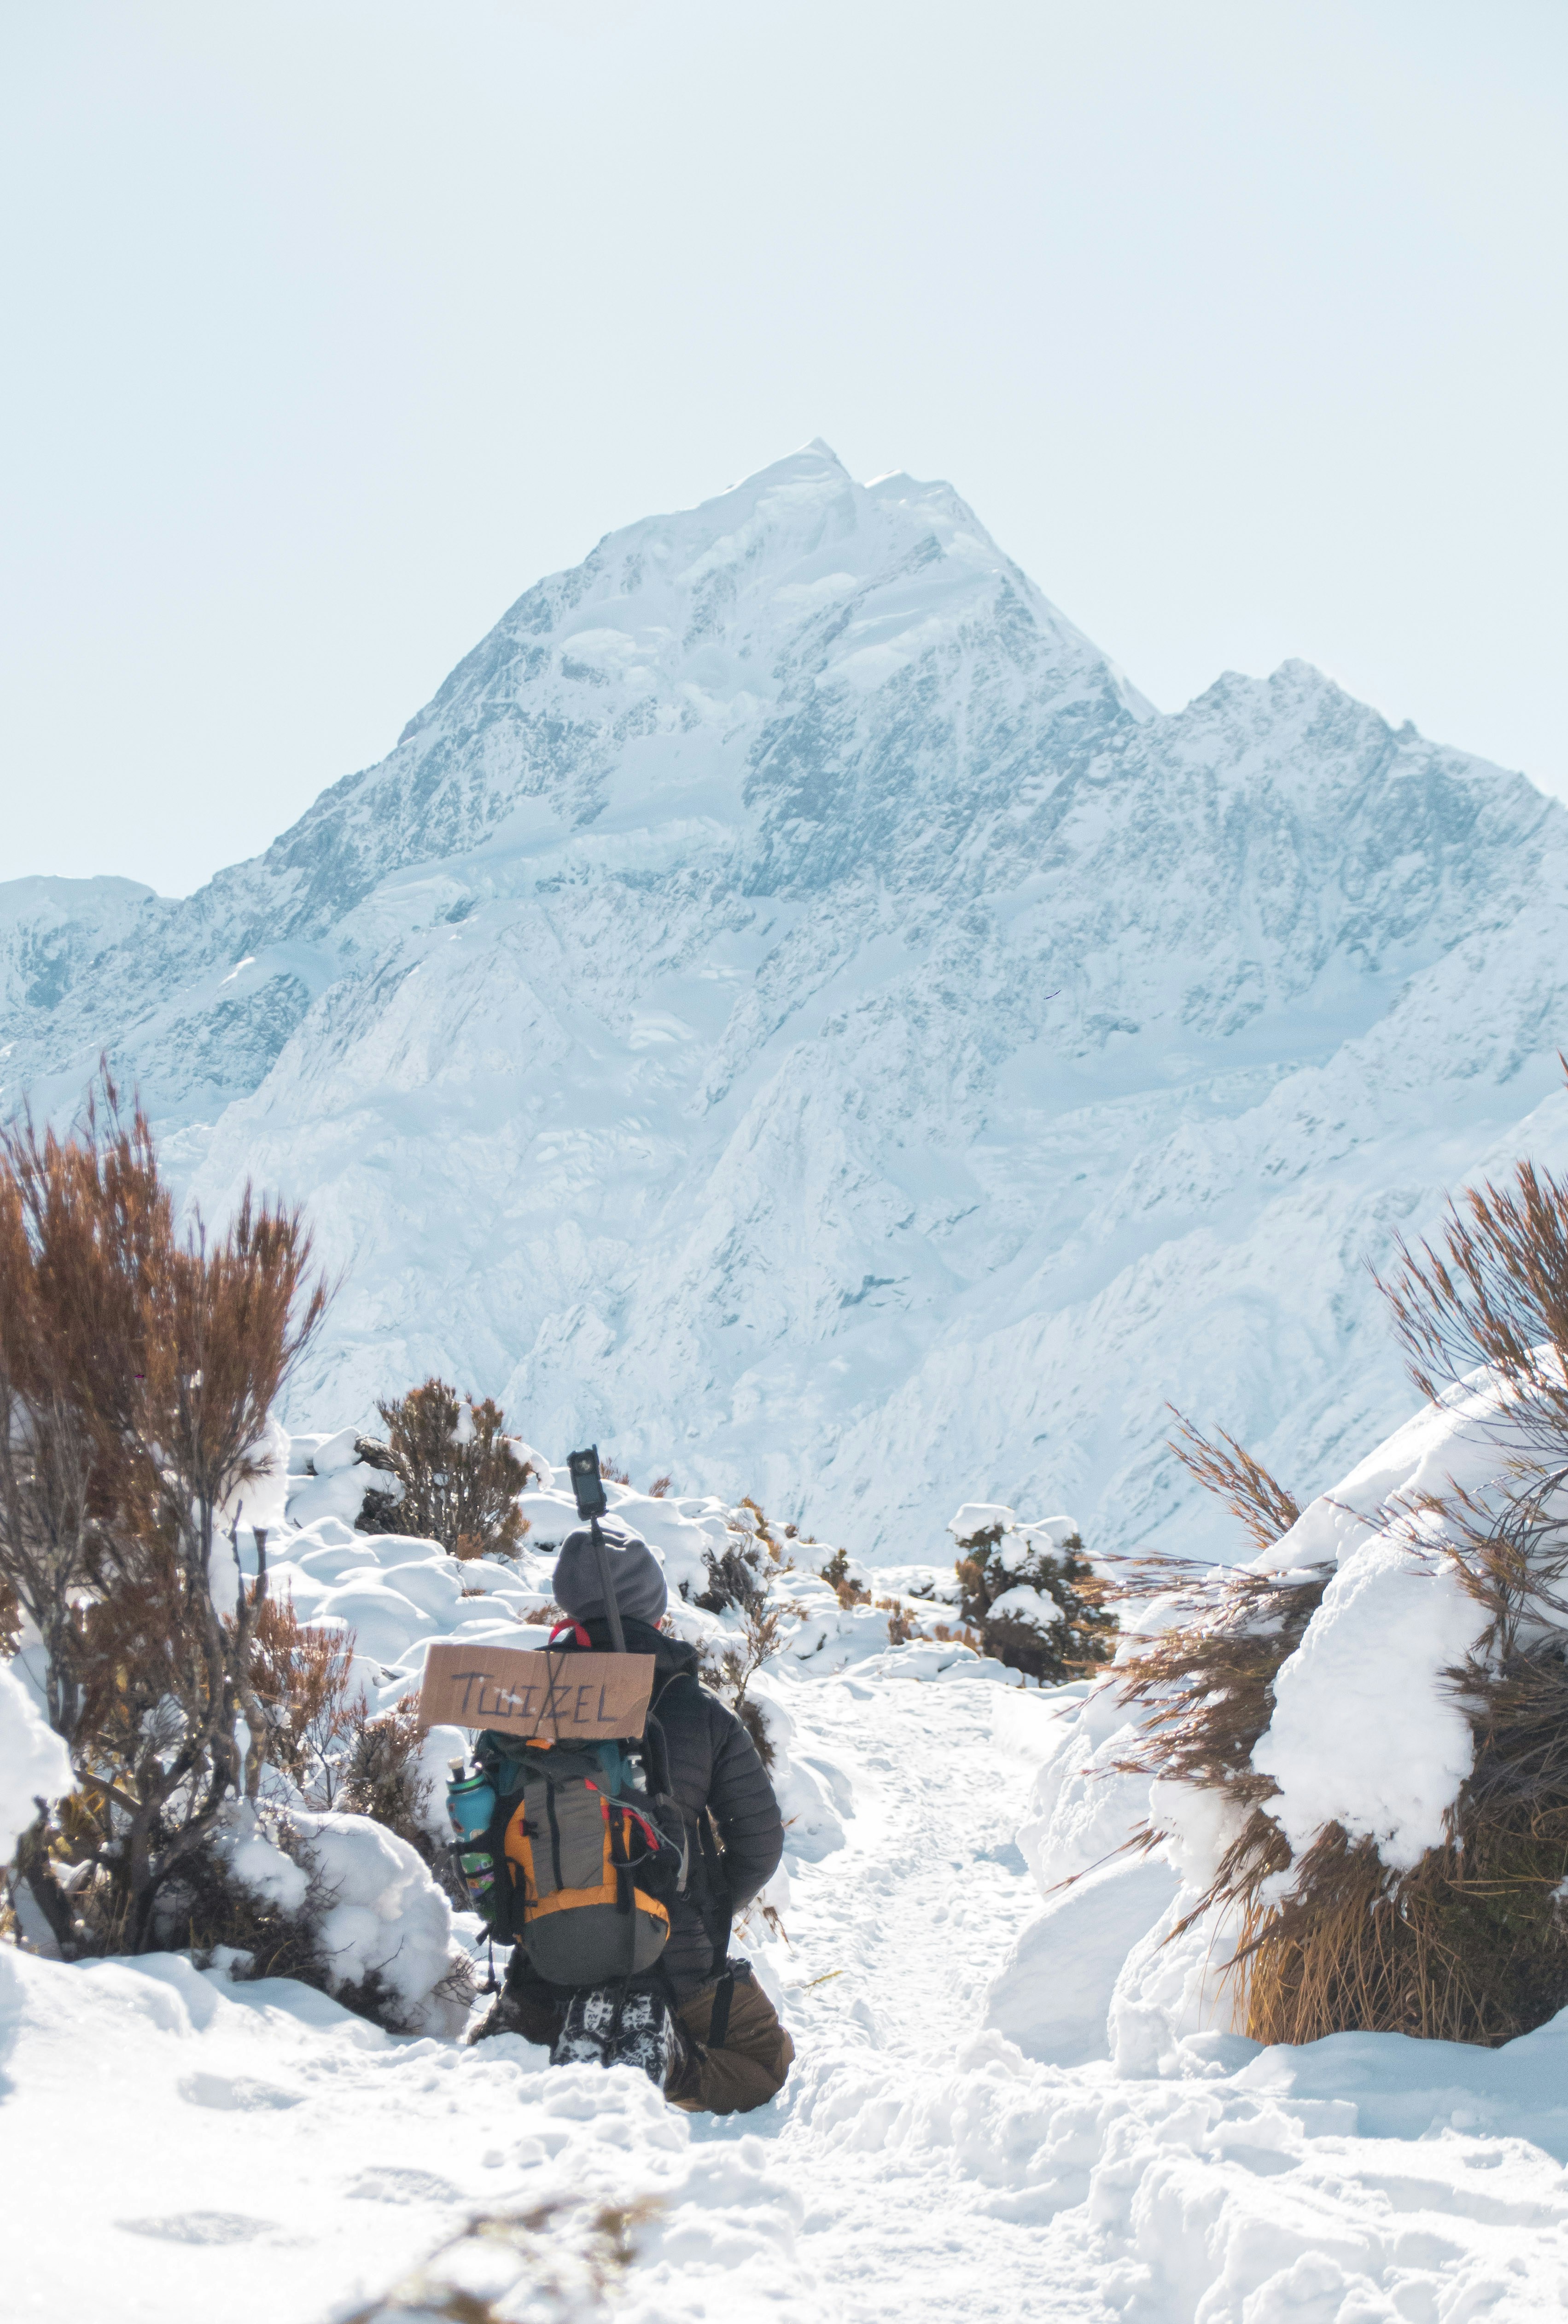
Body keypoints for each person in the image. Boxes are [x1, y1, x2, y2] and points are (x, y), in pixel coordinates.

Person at [472, 1519, 793, 2114]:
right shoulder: (698, 1711)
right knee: (761, 2063)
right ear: (656, 1609)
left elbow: (483, 1840)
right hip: (677, 1962)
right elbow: (759, 1845)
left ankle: (552, 2031)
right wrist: (704, 1902)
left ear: (567, 1602)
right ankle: (663, 2057)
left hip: (546, 1959)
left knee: (488, 2070)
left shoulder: (516, 1703)